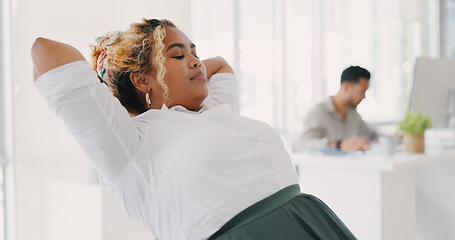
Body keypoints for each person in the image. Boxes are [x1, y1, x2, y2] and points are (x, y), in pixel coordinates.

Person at [32, 18, 356, 240]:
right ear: (142, 79)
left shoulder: (214, 109)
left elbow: (221, 65)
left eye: (195, 52)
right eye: (177, 54)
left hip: (309, 220)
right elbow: (45, 51)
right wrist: (114, 65)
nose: (196, 61)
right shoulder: (129, 143)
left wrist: (178, 61)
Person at [293, 66, 378, 152]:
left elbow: (373, 136)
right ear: (346, 87)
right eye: (362, 92)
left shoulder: (353, 115)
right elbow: (302, 144)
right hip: (321, 165)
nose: (364, 97)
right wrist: (337, 145)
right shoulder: (319, 112)